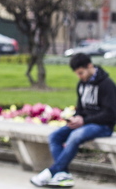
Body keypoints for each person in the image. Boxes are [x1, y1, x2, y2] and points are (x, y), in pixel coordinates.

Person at [30, 53, 116, 187]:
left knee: (76, 135)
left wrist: (84, 121)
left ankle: (52, 172)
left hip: (103, 126)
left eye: (81, 73)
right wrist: (76, 118)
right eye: (77, 74)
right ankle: (63, 175)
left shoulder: (107, 84)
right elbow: (81, 108)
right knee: (55, 136)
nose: (79, 76)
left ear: (90, 66)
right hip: (84, 124)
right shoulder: (82, 84)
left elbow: (111, 114)